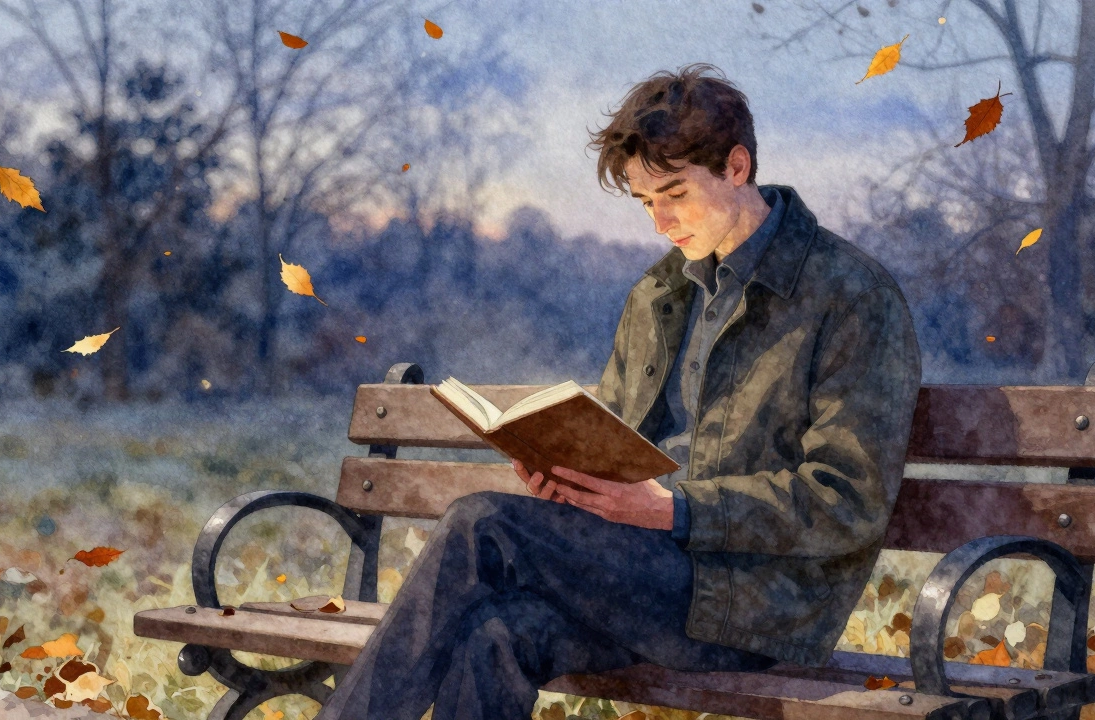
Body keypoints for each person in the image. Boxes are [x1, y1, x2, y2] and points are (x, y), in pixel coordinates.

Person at [315, 62, 922, 720]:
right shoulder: (662, 292)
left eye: (676, 194)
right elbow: (616, 432)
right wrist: (570, 474)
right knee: (493, 635)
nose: (662, 222)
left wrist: (674, 509)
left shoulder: (849, 293)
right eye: (646, 203)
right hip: (645, 575)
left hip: (757, 605)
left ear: (737, 166)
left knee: (480, 523)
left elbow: (847, 502)